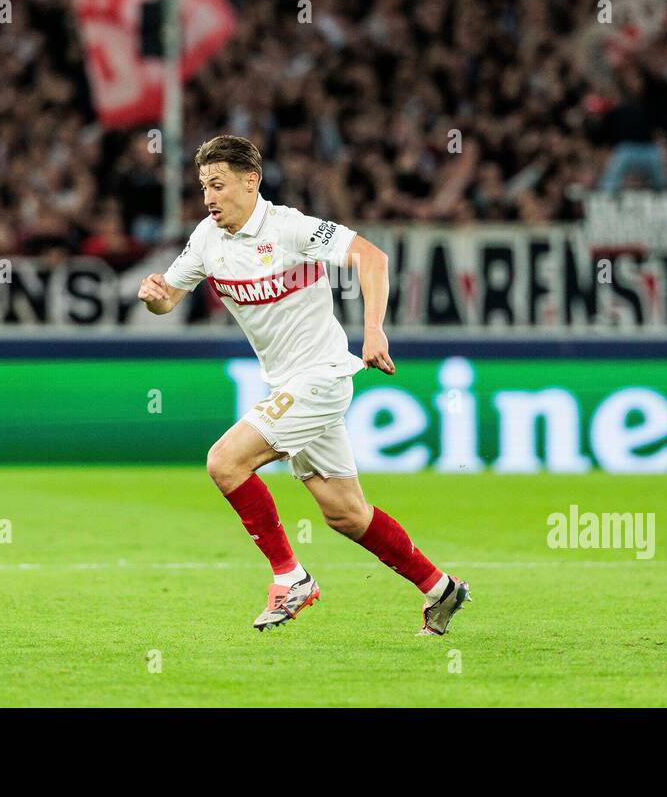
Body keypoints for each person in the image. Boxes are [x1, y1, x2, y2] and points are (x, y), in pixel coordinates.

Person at [137, 135, 471, 634]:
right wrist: (154, 297)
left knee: (225, 462)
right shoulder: (206, 239)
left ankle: (290, 578)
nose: (208, 197)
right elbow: (169, 300)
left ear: (251, 181)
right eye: (204, 185)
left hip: (322, 378)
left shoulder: (292, 228)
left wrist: (374, 330)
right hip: (288, 388)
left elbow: (372, 259)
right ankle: (441, 589)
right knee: (345, 513)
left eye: (218, 184)